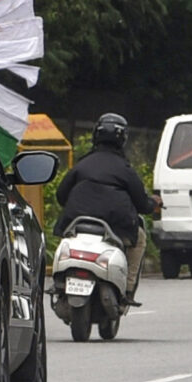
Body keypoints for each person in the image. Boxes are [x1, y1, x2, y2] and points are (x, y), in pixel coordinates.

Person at [57, 113, 155, 284]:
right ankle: (128, 287)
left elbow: (61, 195)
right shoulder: (126, 170)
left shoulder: (81, 165)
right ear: (123, 139)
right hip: (118, 227)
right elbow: (142, 204)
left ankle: (60, 280)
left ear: (96, 135)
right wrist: (154, 203)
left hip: (75, 223)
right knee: (139, 238)